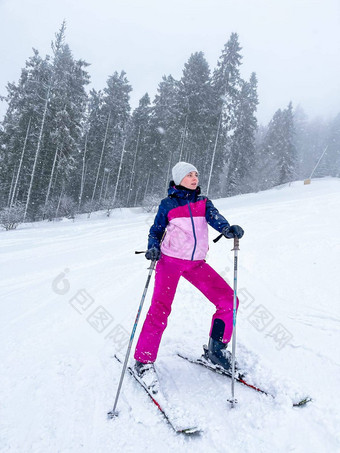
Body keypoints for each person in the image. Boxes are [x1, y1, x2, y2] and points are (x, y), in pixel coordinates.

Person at [134, 162, 244, 382]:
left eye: (196, 174)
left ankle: (216, 350)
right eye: (189, 175)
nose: (195, 178)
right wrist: (153, 247)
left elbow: (215, 218)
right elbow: (156, 230)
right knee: (160, 309)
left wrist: (227, 229)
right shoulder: (168, 204)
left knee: (228, 300)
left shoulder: (203, 202)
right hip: (170, 262)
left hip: (196, 263)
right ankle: (143, 361)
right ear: (178, 179)